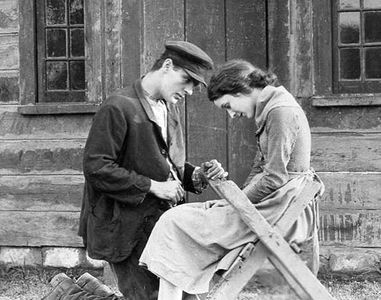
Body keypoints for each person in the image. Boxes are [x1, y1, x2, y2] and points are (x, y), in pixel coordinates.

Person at [139, 59, 324, 299]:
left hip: (281, 207)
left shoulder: (281, 112)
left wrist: (237, 202)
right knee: (174, 220)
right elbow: (262, 169)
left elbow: (274, 178)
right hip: (273, 203)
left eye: (228, 105)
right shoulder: (273, 107)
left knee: (174, 221)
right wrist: (235, 198)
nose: (232, 114)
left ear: (240, 90)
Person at [78, 41, 227, 300]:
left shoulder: (170, 108)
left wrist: (197, 176)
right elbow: (96, 167)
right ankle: (72, 295)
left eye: (195, 86)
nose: (190, 91)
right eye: (187, 80)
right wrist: (153, 186)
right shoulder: (118, 106)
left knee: (184, 297)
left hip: (162, 226)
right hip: (125, 228)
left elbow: (165, 164)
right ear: (167, 66)